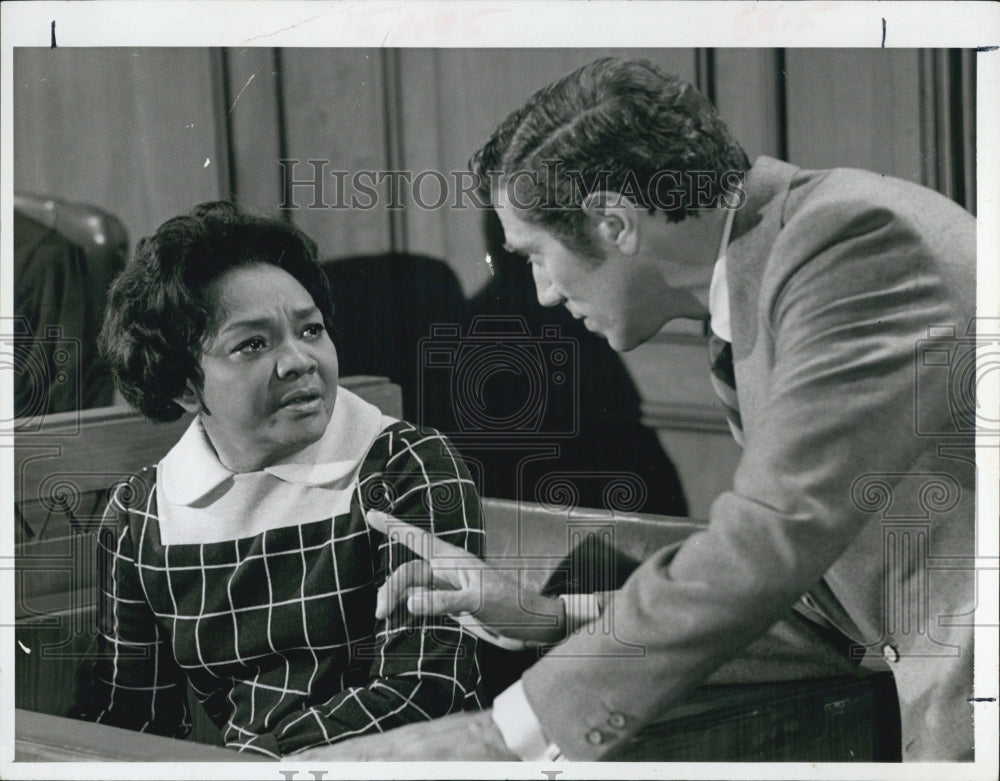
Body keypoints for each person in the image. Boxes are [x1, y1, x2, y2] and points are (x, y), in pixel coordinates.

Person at [334, 57, 976, 762]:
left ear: (614, 222)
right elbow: (827, 602)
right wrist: (551, 616)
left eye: (537, 255)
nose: (543, 291)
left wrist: (505, 732)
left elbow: (770, 540)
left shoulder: (847, 244)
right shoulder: (765, 269)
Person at [70, 201, 484, 757]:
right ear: (185, 387)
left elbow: (426, 690)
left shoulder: (406, 465)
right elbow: (134, 716)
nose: (300, 361)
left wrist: (257, 763)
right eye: (253, 344)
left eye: (310, 330)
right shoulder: (141, 514)